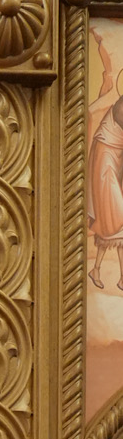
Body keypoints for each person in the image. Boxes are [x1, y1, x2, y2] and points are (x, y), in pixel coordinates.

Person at [90, 31, 123, 292]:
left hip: (114, 159)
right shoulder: (122, 107)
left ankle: (100, 270)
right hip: (105, 159)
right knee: (116, 217)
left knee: (113, 221)